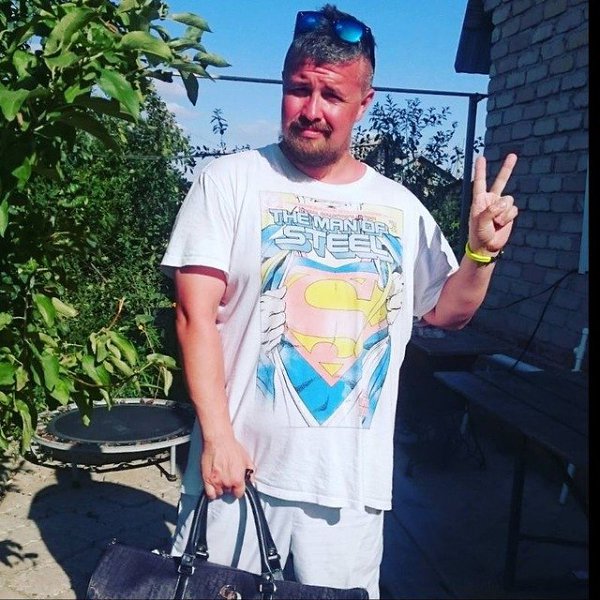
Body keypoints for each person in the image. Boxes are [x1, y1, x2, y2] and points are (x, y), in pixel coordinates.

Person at [160, 4, 518, 597]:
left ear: (363, 103)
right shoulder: (228, 182)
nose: (311, 110)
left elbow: (448, 312)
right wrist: (218, 436)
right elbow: (194, 315)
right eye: (299, 89)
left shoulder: (400, 208)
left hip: (348, 487)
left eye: (331, 95)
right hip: (236, 474)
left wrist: (480, 254)